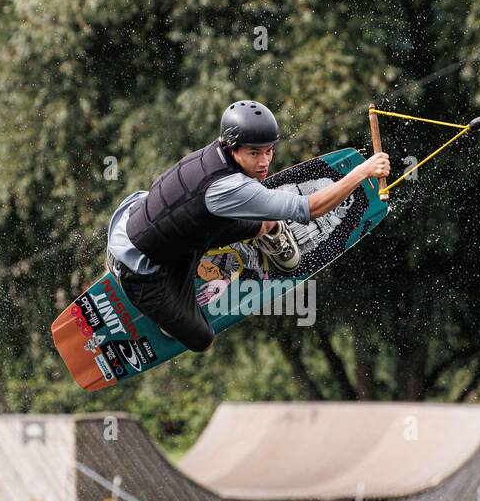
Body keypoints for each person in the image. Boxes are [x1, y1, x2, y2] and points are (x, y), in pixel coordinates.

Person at [105, 100, 391, 352]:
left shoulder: (215, 154)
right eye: (254, 154)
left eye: (269, 151)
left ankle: (268, 230)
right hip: (142, 267)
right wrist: (362, 172)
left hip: (142, 215)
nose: (264, 162)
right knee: (201, 340)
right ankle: (133, 281)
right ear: (233, 147)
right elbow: (310, 209)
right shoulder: (230, 187)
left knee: (242, 218)